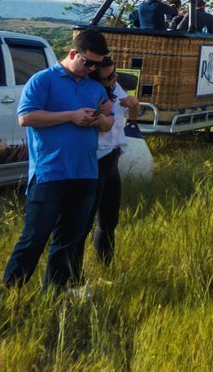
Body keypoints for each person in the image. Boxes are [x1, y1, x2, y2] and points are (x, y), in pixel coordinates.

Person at [3, 28, 114, 290]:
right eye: (88, 62)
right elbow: (26, 118)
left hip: (85, 173)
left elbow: (108, 125)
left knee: (69, 240)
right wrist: (70, 116)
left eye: (97, 65)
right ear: (73, 53)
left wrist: (99, 119)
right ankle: (10, 292)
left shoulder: (94, 87)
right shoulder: (42, 80)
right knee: (35, 237)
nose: (91, 68)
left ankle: (55, 294)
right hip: (50, 172)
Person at [84, 56, 139, 267]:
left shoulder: (115, 88)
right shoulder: (92, 95)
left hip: (113, 156)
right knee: (86, 219)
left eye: (115, 73)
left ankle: (105, 265)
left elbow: (134, 115)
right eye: (109, 77)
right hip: (95, 158)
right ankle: (73, 271)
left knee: (109, 219)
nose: (115, 78)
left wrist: (134, 103)